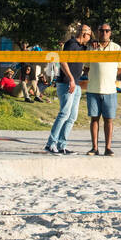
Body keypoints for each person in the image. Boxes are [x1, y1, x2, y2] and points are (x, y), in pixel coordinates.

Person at [45, 23, 90, 154]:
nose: (90, 37)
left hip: (76, 84)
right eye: (89, 35)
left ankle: (61, 145)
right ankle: (50, 143)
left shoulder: (82, 47)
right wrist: (70, 78)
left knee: (72, 117)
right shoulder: (71, 44)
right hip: (66, 83)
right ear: (84, 34)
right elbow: (63, 61)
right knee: (64, 113)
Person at [84, 23, 121, 156]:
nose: (104, 33)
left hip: (110, 90)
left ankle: (108, 147)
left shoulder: (117, 48)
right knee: (94, 119)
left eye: (107, 31)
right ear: (98, 32)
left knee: (108, 120)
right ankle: (94, 147)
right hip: (93, 89)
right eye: (102, 30)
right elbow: (86, 66)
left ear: (110, 33)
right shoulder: (91, 47)